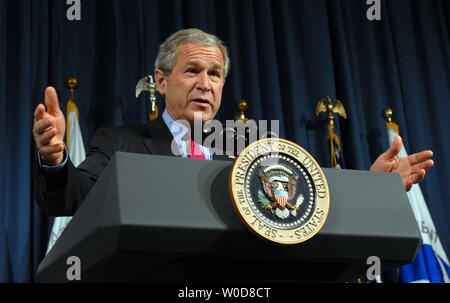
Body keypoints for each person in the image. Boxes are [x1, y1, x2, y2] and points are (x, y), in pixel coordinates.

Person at [32, 28, 434, 217]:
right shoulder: (121, 142)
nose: (205, 84)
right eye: (192, 70)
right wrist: (54, 160)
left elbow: (305, 209)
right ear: (160, 80)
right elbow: (69, 199)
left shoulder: (254, 148)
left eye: (215, 74)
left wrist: (373, 189)